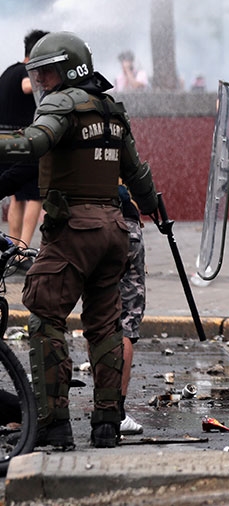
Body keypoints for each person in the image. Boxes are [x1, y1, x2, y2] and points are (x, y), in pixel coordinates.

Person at [0, 31, 161, 449]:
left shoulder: (61, 104)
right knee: (105, 327)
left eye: (47, 73)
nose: (42, 82)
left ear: (67, 69)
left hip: (74, 229)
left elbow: (32, 144)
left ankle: (53, 424)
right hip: (114, 230)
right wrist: (155, 208)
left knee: (45, 317)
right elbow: (139, 173)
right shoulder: (110, 110)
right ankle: (106, 423)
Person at [0, 30, 48, 265]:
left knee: (16, 198)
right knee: (34, 196)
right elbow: (27, 87)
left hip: (3, 143)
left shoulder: (7, 72)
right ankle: (22, 252)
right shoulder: (24, 73)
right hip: (20, 142)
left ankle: (11, 247)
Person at [117, 184, 145, 435]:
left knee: (97, 317)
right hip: (125, 224)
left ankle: (103, 405)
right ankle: (116, 411)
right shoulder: (117, 142)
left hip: (84, 226)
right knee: (126, 320)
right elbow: (141, 179)